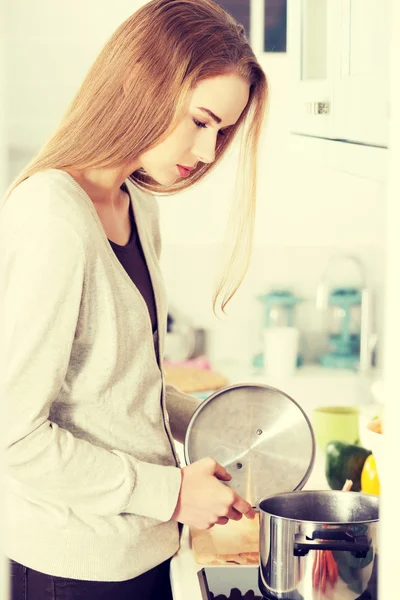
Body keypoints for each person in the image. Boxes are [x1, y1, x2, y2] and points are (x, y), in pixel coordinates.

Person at [0, 0, 268, 598]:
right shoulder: (53, 218)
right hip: (75, 568)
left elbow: (114, 388)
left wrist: (219, 426)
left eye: (220, 132)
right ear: (143, 84)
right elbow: (12, 436)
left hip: (140, 550)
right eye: (201, 121)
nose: (206, 153)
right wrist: (173, 491)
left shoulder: (135, 203)